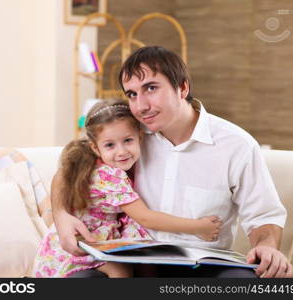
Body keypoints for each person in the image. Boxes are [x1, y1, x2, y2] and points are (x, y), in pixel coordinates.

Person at [52, 46, 293, 278]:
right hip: (132, 264)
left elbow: (263, 216)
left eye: (151, 88)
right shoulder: (129, 138)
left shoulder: (235, 145)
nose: (140, 106)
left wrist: (268, 247)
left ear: (182, 88)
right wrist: (61, 216)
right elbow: (68, 172)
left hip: (204, 267)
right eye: (132, 94)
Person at [35, 99, 222, 278]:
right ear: (94, 147)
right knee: (121, 270)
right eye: (110, 145)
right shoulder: (109, 176)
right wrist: (199, 227)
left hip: (75, 244)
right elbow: (145, 217)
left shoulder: (102, 163)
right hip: (81, 245)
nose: (122, 151)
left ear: (140, 136)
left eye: (128, 141)